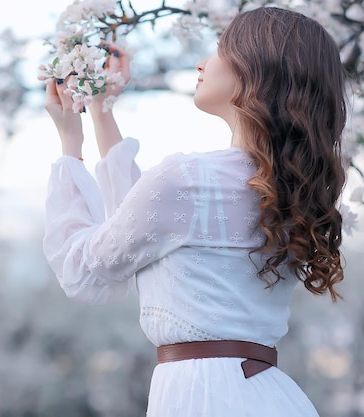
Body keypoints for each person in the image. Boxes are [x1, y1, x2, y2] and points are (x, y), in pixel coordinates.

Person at [41, 6, 347, 417]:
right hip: (265, 392)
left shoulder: (188, 178)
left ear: (254, 69)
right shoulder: (288, 189)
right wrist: (101, 109)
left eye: (220, 49)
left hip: (202, 396)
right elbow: (142, 223)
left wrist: (69, 145)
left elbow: (84, 270)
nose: (202, 63)